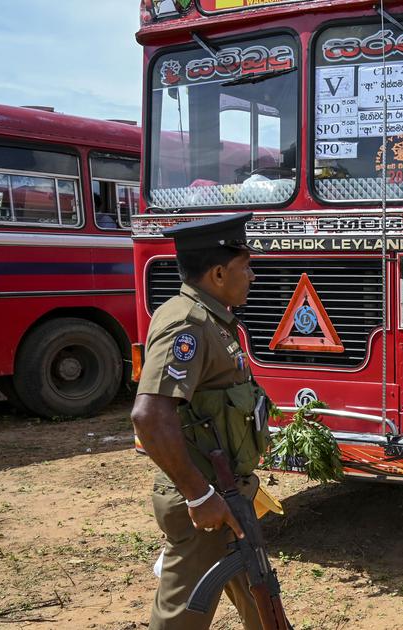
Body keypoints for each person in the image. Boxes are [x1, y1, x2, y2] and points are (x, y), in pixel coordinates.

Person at [130, 212, 269, 630]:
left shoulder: (212, 318)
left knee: (262, 598)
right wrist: (198, 496)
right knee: (181, 619)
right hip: (207, 499)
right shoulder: (186, 323)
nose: (253, 277)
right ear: (220, 272)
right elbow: (150, 416)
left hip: (228, 491)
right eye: (247, 267)